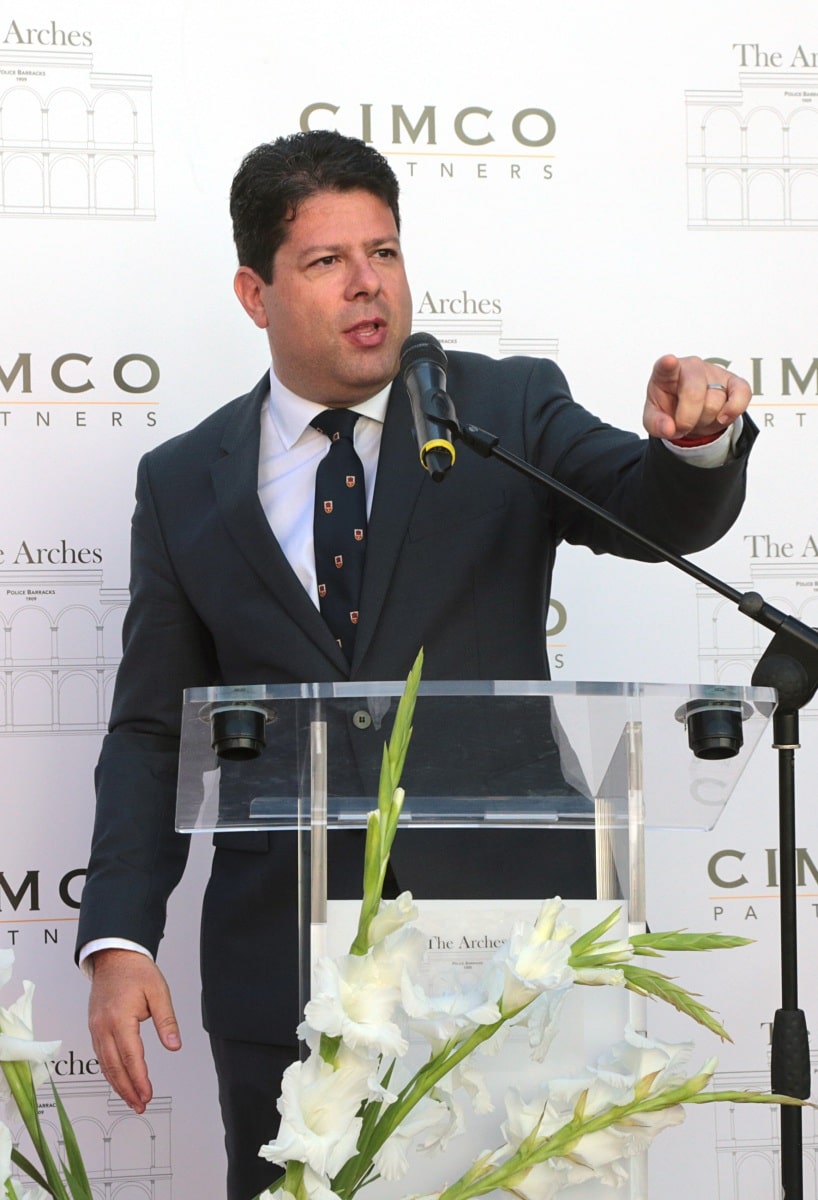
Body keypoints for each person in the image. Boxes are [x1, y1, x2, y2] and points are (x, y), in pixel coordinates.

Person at [77, 129, 755, 1200]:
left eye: (384, 252)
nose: (368, 285)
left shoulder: (499, 410)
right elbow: (154, 730)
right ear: (255, 294)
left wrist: (691, 445)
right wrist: (120, 935)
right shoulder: (182, 481)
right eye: (326, 261)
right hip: (283, 974)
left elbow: (650, 508)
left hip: (503, 962)